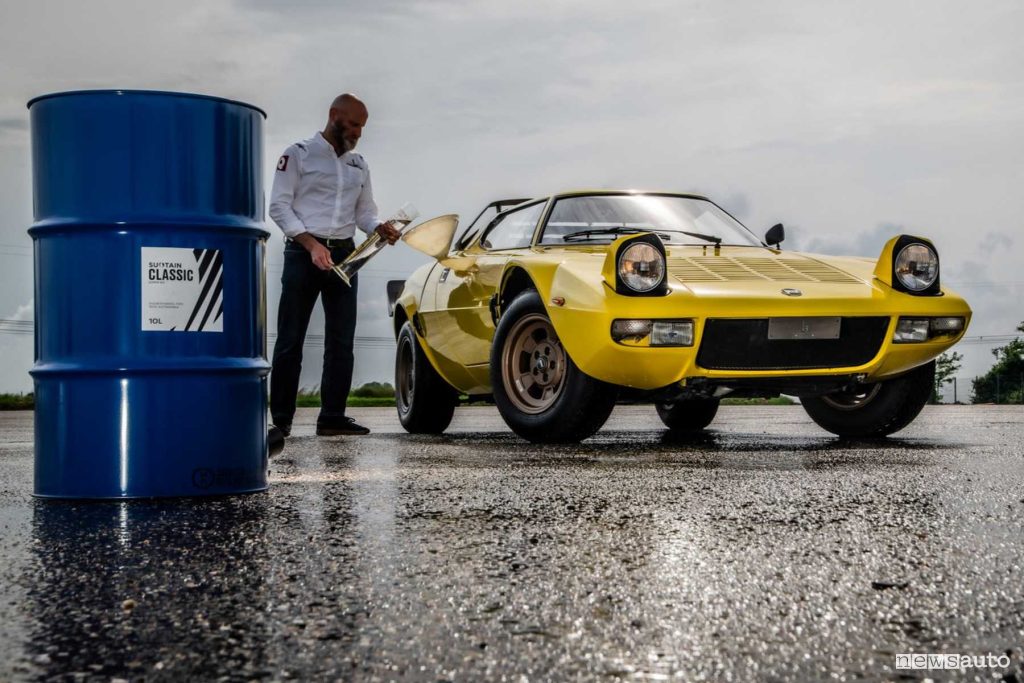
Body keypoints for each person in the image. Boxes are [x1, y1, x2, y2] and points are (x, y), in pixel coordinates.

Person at [268, 93, 401, 437]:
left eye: (362, 127)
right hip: (302, 252)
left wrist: (378, 227)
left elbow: (364, 212)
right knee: (289, 340)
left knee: (341, 341)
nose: (358, 132)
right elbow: (279, 207)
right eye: (354, 124)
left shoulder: (359, 165)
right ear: (334, 116)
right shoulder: (297, 154)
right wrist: (310, 244)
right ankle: (280, 420)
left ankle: (332, 417)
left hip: (346, 256)